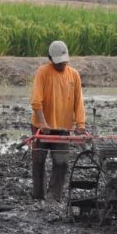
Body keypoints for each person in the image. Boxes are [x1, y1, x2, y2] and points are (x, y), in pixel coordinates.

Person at [30, 40, 86, 203]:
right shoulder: (43, 72)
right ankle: (38, 196)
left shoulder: (73, 75)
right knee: (39, 161)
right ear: (50, 58)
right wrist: (43, 123)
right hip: (42, 127)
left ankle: (54, 197)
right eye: (58, 62)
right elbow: (36, 101)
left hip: (62, 128)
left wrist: (80, 124)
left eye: (64, 62)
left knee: (61, 163)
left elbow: (78, 101)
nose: (62, 65)